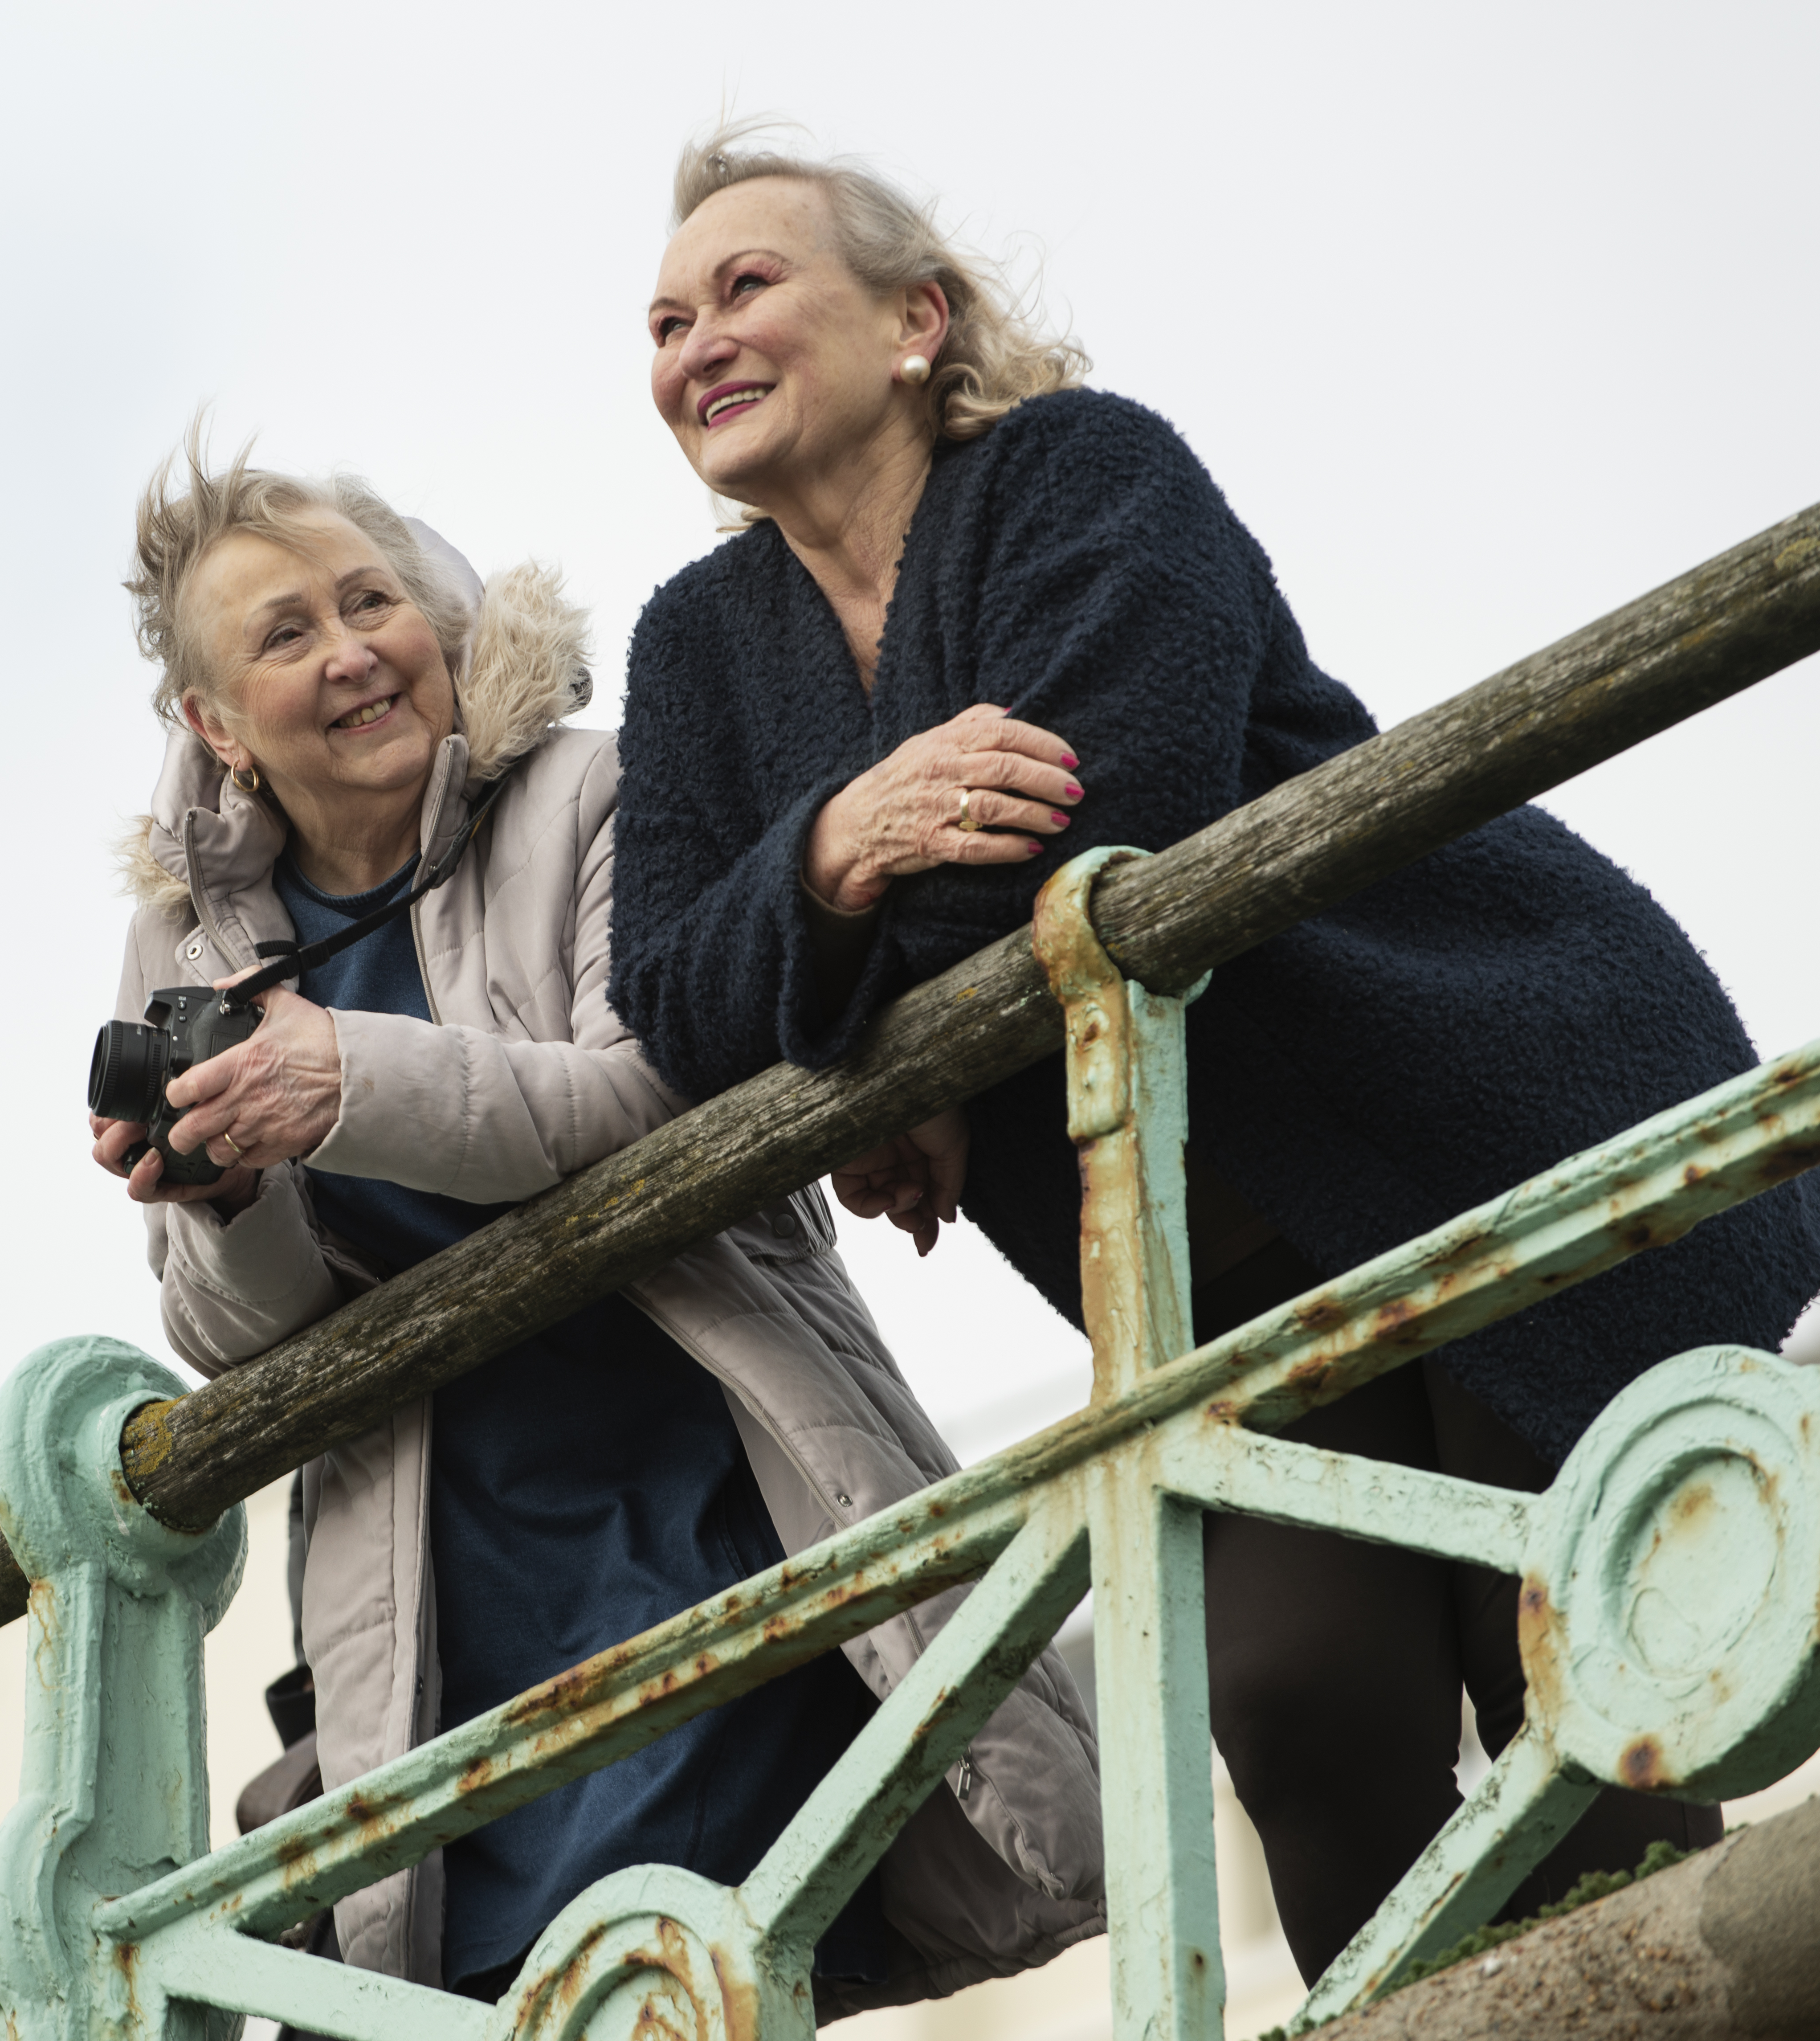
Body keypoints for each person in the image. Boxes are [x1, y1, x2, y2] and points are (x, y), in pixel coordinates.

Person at [604, 123, 1820, 1984]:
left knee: (1567, 1653)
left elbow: (1109, 809)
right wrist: (839, 848)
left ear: (917, 320)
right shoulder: (697, 647)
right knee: (1293, 1699)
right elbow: (673, 1006)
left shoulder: (1089, 470)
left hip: (1477, 1090)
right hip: (1221, 1260)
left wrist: (851, 1010)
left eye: (745, 286)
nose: (697, 340)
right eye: (664, 320)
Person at [89, 436, 1105, 2012]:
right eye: (285, 634)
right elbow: (233, 1335)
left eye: (371, 601)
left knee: (672, 1961)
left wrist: (341, 1078)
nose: (352, 652)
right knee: (500, 1988)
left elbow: (647, 1092)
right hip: (426, 1595)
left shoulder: (595, 788)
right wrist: (225, 1198)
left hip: (693, 1494)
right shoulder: (186, 939)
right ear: (215, 725)